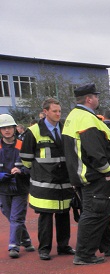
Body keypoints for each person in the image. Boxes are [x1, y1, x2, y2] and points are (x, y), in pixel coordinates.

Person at [62, 83, 110, 265]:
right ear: (89, 99)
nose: (98, 99)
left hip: (85, 174)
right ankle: (84, 254)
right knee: (94, 213)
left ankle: (108, 245)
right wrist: (107, 172)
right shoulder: (85, 119)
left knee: (102, 212)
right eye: (96, 96)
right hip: (94, 176)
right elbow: (94, 150)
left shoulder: (76, 116)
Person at [20, 97, 74, 260]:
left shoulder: (66, 129)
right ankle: (44, 249)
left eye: (59, 111)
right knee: (45, 216)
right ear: (45, 112)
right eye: (55, 111)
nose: (58, 114)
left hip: (64, 181)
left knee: (64, 214)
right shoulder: (34, 131)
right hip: (44, 182)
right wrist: (39, 171)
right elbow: (26, 158)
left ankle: (63, 246)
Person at [0, 114, 34, 258]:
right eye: (3, 128)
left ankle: (14, 246)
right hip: (3, 188)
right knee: (10, 215)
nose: (7, 130)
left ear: (14, 128)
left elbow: (32, 166)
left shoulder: (23, 145)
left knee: (16, 217)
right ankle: (26, 240)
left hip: (20, 187)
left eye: (9, 127)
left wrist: (21, 171)